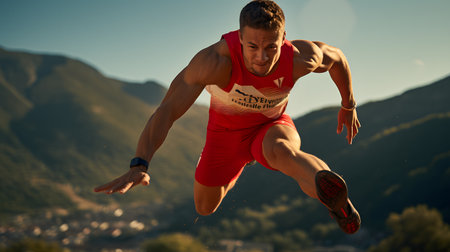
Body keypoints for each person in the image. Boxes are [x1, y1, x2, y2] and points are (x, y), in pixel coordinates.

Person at [95, 0, 361, 234]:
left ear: (283, 39)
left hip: (270, 127)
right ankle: (241, 166)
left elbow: (337, 58)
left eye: (271, 47)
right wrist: (139, 164)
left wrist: (348, 105)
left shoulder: (299, 58)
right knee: (205, 207)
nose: (262, 57)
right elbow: (167, 111)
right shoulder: (214, 62)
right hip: (224, 138)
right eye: (253, 46)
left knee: (282, 151)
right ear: (240, 38)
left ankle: (335, 197)